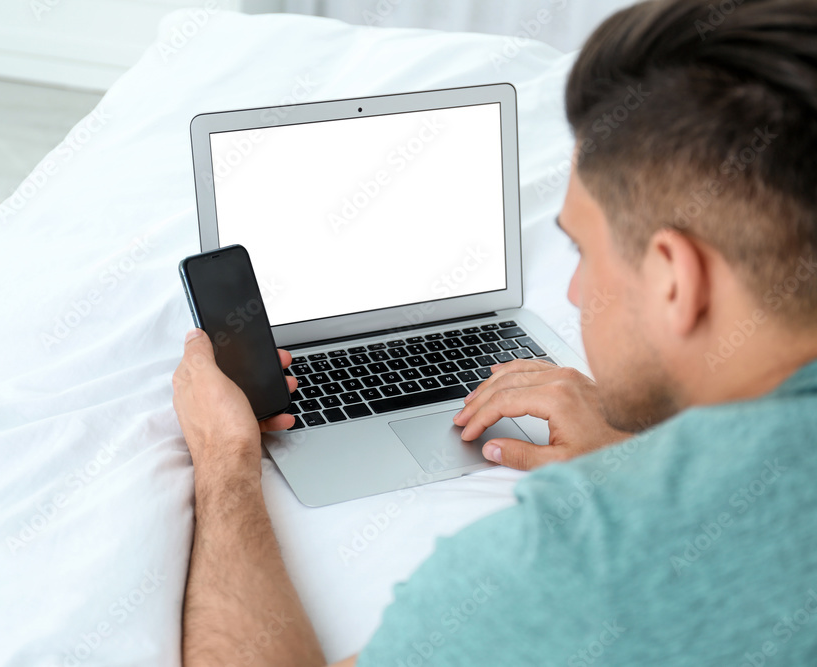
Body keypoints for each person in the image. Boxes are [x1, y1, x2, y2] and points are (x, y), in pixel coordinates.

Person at [171, 0, 817, 663]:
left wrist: (225, 459)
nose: (574, 292)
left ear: (676, 279)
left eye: (584, 251)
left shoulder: (563, 576)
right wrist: (632, 451)